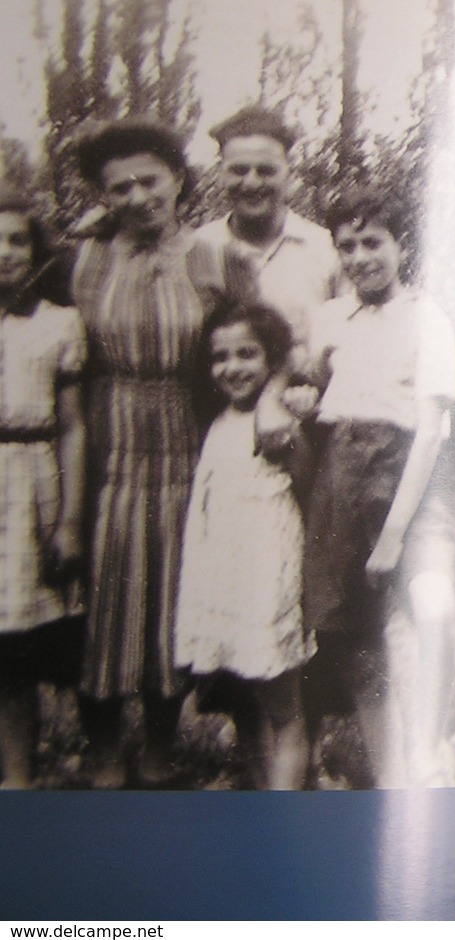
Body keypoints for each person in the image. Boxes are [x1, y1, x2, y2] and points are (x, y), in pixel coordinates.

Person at [71, 116, 256, 786]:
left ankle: (155, 746)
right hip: (105, 443)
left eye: (150, 180)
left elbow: (258, 340)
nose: (138, 197)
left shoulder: (215, 258)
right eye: (119, 188)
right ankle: (100, 750)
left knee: (167, 597)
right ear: (103, 195)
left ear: (179, 180)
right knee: (100, 599)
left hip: (183, 442)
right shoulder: (87, 258)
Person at [288, 191, 455, 787]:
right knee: (354, 639)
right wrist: (300, 397)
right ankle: (391, 776)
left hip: (411, 472)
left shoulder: (426, 316)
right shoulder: (331, 318)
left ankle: (434, 750)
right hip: (341, 473)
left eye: (373, 242)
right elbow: (308, 384)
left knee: (435, 611)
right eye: (348, 245)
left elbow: (433, 431)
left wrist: (391, 538)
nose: (361, 257)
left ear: (401, 245)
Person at [175, 302, 312, 790]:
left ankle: (283, 815)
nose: (232, 368)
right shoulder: (216, 420)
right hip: (223, 581)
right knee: (243, 698)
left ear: (272, 358)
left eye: (247, 354)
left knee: (284, 707)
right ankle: (260, 793)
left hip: (265, 579)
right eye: (220, 357)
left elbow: (305, 488)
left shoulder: (277, 423)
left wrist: (279, 398)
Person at [0, 192, 85, 788]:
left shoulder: (59, 322)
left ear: (35, 250)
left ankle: (19, 780)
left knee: (14, 650)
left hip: (29, 487)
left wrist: (70, 521)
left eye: (16, 239)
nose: (4, 253)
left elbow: (74, 426)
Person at [197, 106, 338, 346]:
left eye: (266, 171)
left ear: (288, 173)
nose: (251, 183)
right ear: (221, 173)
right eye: (239, 170)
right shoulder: (198, 248)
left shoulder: (326, 250)